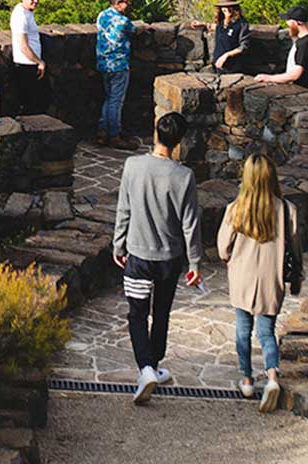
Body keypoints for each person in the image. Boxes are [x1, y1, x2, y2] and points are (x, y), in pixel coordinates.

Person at [113, 111, 202, 405]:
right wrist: (195, 263)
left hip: (138, 254)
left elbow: (123, 209)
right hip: (169, 258)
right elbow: (190, 223)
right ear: (179, 141)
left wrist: (118, 245)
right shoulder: (184, 176)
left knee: (137, 314)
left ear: (156, 134)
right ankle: (154, 364)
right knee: (161, 311)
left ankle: (146, 367)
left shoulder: (133, 166)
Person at [217, 154, 301, 413]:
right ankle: (273, 377)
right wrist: (296, 276)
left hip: (243, 277)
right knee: (266, 332)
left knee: (243, 329)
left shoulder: (236, 208)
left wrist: (232, 258)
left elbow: (222, 248)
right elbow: (295, 248)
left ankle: (246, 379)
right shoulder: (287, 209)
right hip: (270, 279)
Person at [95, 0, 140, 148]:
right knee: (116, 101)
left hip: (103, 64)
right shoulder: (123, 21)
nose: (127, 5)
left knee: (108, 98)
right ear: (117, 3)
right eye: (125, 2)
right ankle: (114, 135)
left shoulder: (102, 15)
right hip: (119, 65)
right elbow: (135, 30)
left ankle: (102, 130)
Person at [9, 0, 48, 115]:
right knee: (29, 104)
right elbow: (23, 45)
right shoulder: (20, 15)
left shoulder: (27, 11)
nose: (36, 1)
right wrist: (39, 62)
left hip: (29, 64)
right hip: (25, 65)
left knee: (35, 102)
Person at [258, 5, 308, 90]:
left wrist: (269, 78)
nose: (287, 23)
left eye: (289, 21)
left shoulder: (304, 45)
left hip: (302, 90)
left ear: (297, 22)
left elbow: (295, 74)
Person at [190, 0, 250, 72]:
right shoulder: (221, 22)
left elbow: (243, 46)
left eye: (230, 6)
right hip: (217, 66)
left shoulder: (241, 24)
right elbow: (218, 28)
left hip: (233, 68)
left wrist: (227, 55)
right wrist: (203, 24)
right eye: (225, 7)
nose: (227, 9)